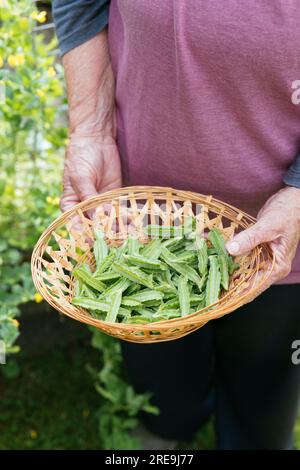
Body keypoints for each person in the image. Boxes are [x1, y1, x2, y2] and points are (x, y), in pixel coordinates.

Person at [52, 1, 300, 449]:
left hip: (283, 231)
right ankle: (170, 432)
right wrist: (90, 127)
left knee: (265, 390)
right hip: (140, 220)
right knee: (161, 370)